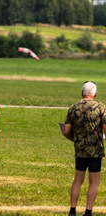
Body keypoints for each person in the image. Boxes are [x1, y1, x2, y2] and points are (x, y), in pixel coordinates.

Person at [63, 81, 106, 216]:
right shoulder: (101, 107)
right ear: (95, 93)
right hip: (95, 150)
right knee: (94, 182)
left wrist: (75, 140)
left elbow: (66, 131)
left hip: (80, 149)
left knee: (78, 180)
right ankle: (88, 211)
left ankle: (72, 210)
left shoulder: (73, 107)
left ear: (82, 92)